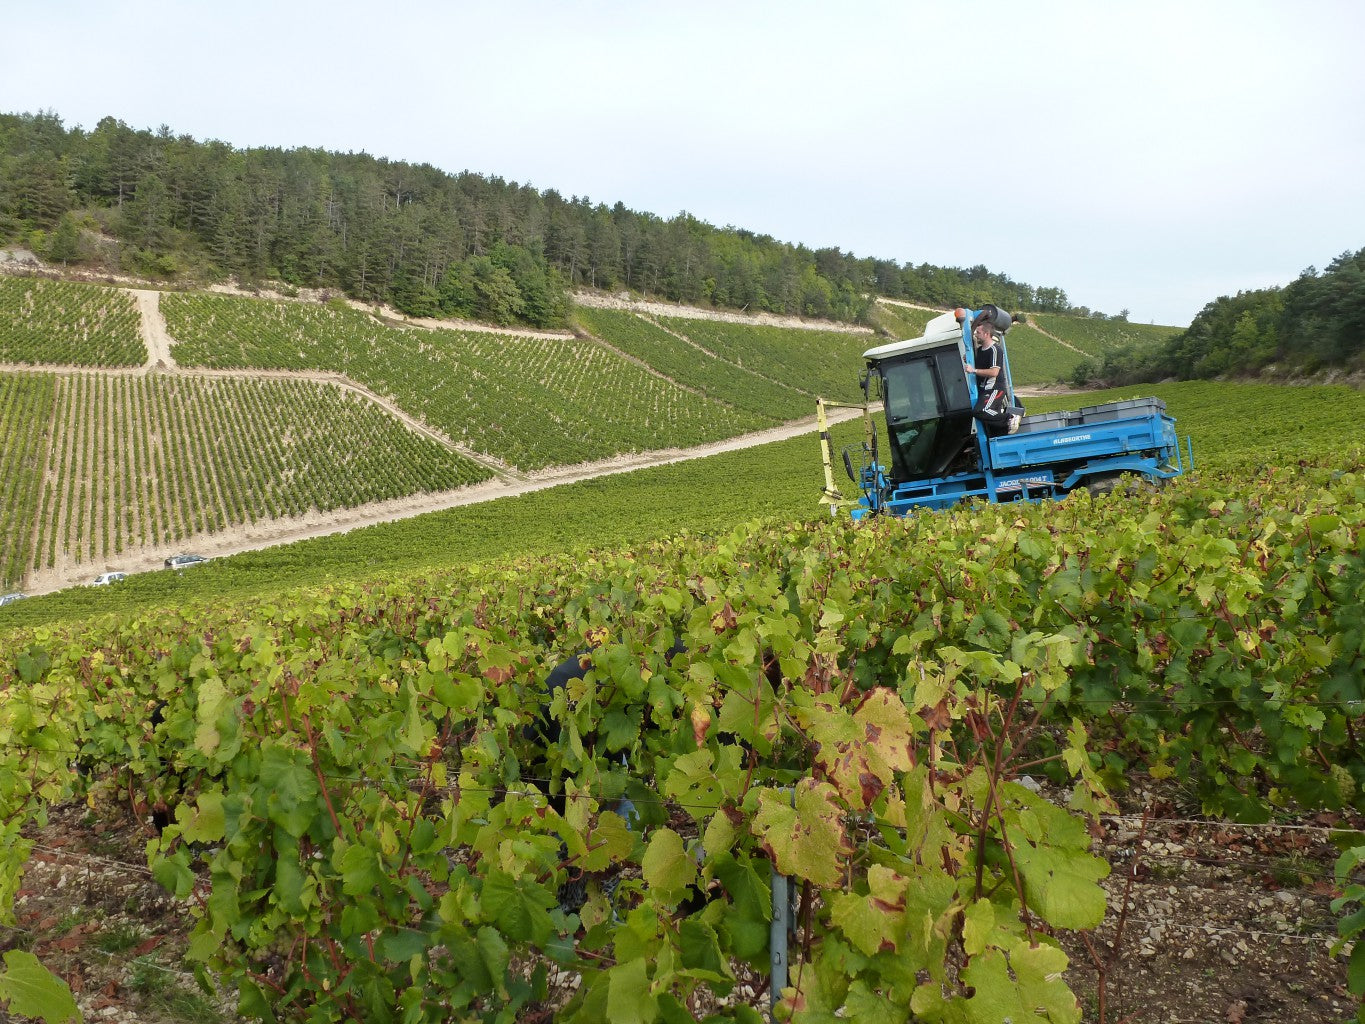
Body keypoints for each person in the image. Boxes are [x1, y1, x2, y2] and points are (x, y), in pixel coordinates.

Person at [965, 315, 1020, 435]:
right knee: (989, 421)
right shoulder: (979, 351)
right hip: (986, 390)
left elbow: (994, 372)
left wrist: (974, 370)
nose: (976, 335)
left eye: (978, 333)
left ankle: (1010, 418)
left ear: (986, 334)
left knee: (982, 411)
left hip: (995, 388)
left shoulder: (995, 350)